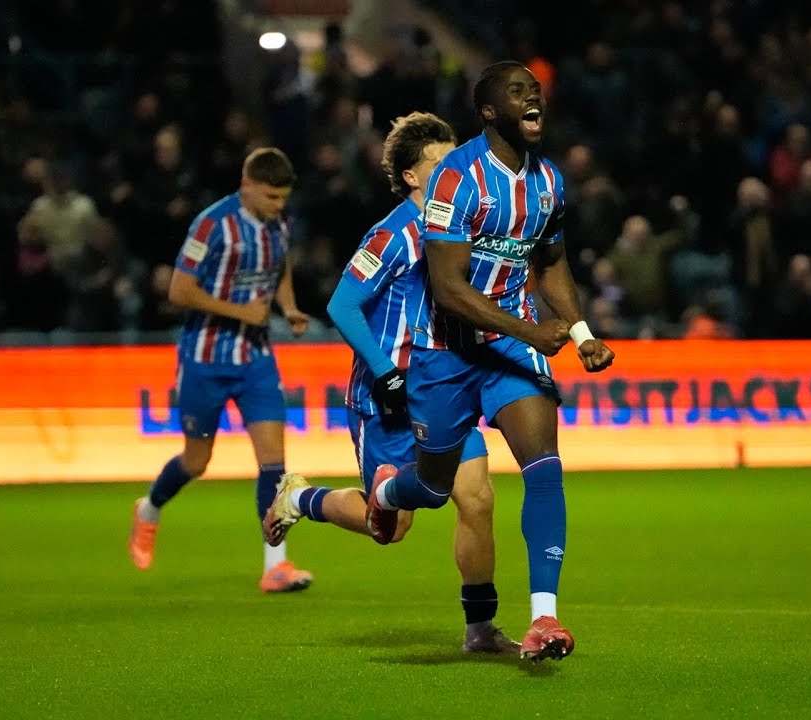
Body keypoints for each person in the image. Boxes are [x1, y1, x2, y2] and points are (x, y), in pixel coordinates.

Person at [365, 61, 613, 662]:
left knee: (544, 465)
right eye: (518, 91)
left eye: (536, 91)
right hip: (444, 351)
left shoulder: (548, 181)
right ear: (488, 110)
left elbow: (551, 262)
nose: (533, 98)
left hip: (509, 347)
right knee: (432, 488)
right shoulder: (456, 178)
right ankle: (388, 495)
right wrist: (532, 328)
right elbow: (448, 288)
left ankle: (544, 619)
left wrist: (580, 331)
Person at [260, 111, 518, 654]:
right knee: (391, 529)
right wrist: (387, 374)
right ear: (410, 176)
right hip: (386, 398)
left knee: (477, 497)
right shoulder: (394, 234)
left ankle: (480, 629)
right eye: (439, 163)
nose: (454, 171)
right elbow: (343, 305)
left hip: (444, 389)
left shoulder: (464, 226)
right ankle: (300, 498)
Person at [128, 147, 315, 593]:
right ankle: (149, 508)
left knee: (274, 462)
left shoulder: (277, 224)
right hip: (205, 360)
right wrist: (239, 311)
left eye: (283, 198)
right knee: (197, 461)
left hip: (256, 360)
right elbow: (179, 290)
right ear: (246, 185)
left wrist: (288, 307)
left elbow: (280, 266)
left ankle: (276, 565)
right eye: (271, 197)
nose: (278, 206)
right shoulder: (212, 225)